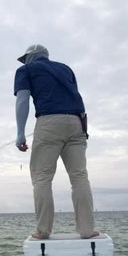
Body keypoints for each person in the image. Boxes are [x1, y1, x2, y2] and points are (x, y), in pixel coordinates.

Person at [13, 44, 100, 240]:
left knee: (42, 178)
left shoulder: (25, 70)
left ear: (31, 57)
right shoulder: (66, 68)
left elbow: (22, 100)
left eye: (25, 58)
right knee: (79, 177)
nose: (24, 62)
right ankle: (87, 230)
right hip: (77, 123)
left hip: (49, 121)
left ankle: (43, 231)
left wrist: (20, 133)